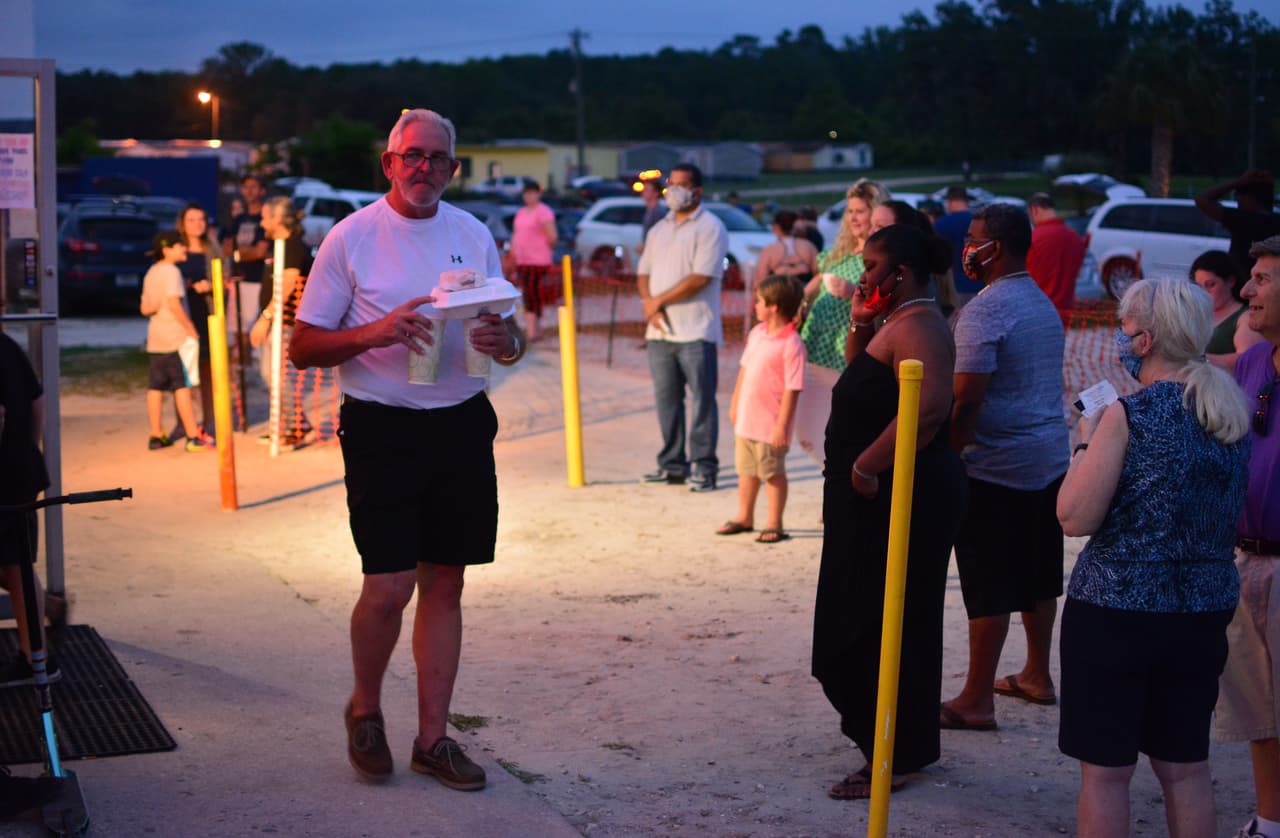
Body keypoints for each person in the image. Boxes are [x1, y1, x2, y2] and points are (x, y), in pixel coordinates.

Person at [290, 108, 524, 792]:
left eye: (439, 159)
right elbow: (303, 345)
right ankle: (365, 709)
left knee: (445, 582)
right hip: (382, 427)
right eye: (412, 156)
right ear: (388, 163)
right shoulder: (351, 237)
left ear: (454, 167)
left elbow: (511, 335)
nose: (425, 168)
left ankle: (432, 739)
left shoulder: (474, 234)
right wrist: (377, 332)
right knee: (388, 587)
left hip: (460, 424)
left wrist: (503, 344)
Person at [1057, 278, 1251, 837]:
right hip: (1202, 609)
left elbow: (1074, 517)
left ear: (1145, 341)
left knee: (1107, 773)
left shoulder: (1127, 415)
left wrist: (1084, 440)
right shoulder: (1227, 413)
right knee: (1186, 768)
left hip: (1118, 611)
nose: (1118, 336)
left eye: (1122, 326)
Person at [812, 223, 966, 799]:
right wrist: (858, 318)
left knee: (888, 620)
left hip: (901, 492)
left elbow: (926, 415)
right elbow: (859, 375)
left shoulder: (923, 326)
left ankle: (898, 752)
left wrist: (865, 467)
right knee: (860, 614)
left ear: (900, 272)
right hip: (872, 493)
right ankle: (889, 740)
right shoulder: (896, 320)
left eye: (871, 266)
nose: (863, 275)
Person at [939, 204, 1070, 731]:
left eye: (973, 239)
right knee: (1039, 571)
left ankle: (976, 699)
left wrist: (949, 451)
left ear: (996, 247)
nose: (965, 248)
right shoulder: (1038, 300)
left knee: (988, 579)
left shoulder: (986, 310)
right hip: (1046, 457)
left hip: (996, 464)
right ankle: (1037, 673)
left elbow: (967, 397)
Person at [1216, 235, 1280, 838]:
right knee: (1260, 709)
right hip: (1249, 562)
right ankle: (1269, 820)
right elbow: (1211, 373)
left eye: (1261, 278)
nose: (1245, 291)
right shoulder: (1260, 358)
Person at [637, 163, 729, 492]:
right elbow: (643, 272)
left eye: (681, 184)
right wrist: (650, 304)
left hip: (696, 331)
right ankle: (672, 464)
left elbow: (700, 277)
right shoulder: (658, 228)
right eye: (670, 184)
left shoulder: (710, 227)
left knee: (702, 401)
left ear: (697, 191)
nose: (673, 190)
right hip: (659, 331)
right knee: (667, 400)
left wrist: (656, 302)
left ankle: (704, 467)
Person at [793, 179, 888, 463]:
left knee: (840, 435)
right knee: (809, 432)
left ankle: (839, 499)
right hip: (817, 347)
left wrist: (852, 293)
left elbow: (886, 304)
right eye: (850, 211)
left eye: (861, 211)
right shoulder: (839, 254)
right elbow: (819, 279)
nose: (854, 218)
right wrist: (800, 302)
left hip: (845, 355)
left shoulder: (881, 256)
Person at [716, 275, 805, 544]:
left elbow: (793, 388)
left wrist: (782, 426)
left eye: (759, 301)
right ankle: (745, 517)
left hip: (770, 425)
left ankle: (774, 523)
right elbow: (745, 370)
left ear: (774, 306)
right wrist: (735, 403)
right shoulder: (756, 333)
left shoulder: (792, 345)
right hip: (747, 420)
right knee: (747, 471)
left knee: (772, 473)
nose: (754, 305)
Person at [139, 231, 213, 452]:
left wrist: (158, 306)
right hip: (174, 338)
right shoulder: (172, 272)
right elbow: (173, 303)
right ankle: (193, 436)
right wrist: (191, 328)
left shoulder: (151, 272)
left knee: (155, 387)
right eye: (180, 246)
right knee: (182, 386)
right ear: (167, 250)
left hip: (156, 340)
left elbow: (145, 308)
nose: (184, 249)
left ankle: (156, 434)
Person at [250, 197, 314, 445]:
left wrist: (266, 317)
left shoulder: (292, 246)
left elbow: (287, 284)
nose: (262, 222)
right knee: (271, 374)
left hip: (285, 322)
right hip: (277, 321)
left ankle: (297, 424)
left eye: (265, 217)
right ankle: (288, 424)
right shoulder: (279, 244)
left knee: (275, 373)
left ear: (278, 219)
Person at [176, 203, 221, 434]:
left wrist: (213, 285)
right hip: (183, 316)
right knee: (181, 371)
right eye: (191, 220)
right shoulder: (176, 249)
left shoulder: (212, 248)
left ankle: (210, 420)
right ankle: (184, 422)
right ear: (183, 223)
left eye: (201, 219)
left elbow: (225, 278)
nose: (197, 224)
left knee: (206, 370)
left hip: (207, 314)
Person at [1191, 250, 1263, 372]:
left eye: (1211, 285)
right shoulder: (1197, 314)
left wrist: (1197, 360)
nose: (1203, 292)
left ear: (1230, 281)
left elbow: (1246, 359)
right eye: (1199, 286)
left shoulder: (1245, 317)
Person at [1195, 170, 1280, 273]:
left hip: (1242, 280)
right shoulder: (1275, 221)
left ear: (1249, 199)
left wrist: (1237, 183)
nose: (1238, 205)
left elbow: (1202, 199)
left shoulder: (1242, 219)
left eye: (1239, 201)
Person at [1027, 192, 1086, 328]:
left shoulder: (1033, 239)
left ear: (1035, 210)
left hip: (1037, 313)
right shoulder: (1075, 238)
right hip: (1065, 313)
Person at [221, 175, 269, 338]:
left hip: (258, 280)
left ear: (262, 190)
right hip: (239, 279)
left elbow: (261, 252)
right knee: (238, 331)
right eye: (245, 187)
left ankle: (252, 363)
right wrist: (248, 251)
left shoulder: (265, 219)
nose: (249, 191)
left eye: (253, 186)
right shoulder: (239, 220)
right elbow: (227, 248)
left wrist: (238, 253)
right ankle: (241, 362)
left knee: (253, 329)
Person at [510, 181, 558, 342]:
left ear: (538, 193)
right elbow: (516, 235)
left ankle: (533, 330)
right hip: (523, 260)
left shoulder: (543, 212)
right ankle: (533, 328)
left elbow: (552, 236)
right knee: (527, 294)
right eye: (526, 193)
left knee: (534, 293)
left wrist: (544, 250)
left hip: (538, 261)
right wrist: (513, 254)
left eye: (532, 193)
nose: (529, 196)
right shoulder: (521, 213)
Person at [933, 186, 980, 302]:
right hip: (980, 284)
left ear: (949, 202)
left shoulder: (941, 224)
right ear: (967, 201)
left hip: (954, 286)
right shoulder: (980, 222)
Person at [752, 210, 818, 288]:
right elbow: (818, 272)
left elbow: (760, 276)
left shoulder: (770, 249)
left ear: (776, 227)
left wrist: (756, 298)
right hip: (803, 287)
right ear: (794, 226)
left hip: (779, 289)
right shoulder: (808, 246)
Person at [639, 176, 667, 246]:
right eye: (644, 189)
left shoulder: (658, 212)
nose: (643, 192)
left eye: (647, 190)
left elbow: (661, 236)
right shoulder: (649, 211)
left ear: (656, 193)